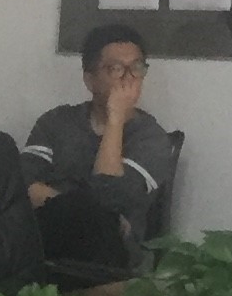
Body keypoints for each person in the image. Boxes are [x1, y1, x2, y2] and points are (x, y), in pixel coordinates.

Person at [21, 22, 176, 274]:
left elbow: (109, 199)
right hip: (46, 241)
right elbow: (21, 183)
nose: (128, 78)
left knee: (99, 223)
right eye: (116, 69)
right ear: (90, 79)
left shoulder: (152, 139)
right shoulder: (56, 122)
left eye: (136, 68)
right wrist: (75, 209)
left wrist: (115, 119)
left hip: (112, 258)